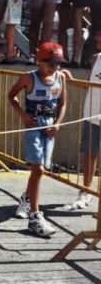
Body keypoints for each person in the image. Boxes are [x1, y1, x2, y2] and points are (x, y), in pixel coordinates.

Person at [8, 42, 67, 237]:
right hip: (34, 125)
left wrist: (57, 124)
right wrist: (23, 115)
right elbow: (12, 95)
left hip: (49, 127)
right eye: (50, 63)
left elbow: (63, 103)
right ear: (39, 61)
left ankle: (27, 198)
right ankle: (35, 216)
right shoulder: (29, 78)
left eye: (57, 63)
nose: (54, 67)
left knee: (40, 170)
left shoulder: (60, 77)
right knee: (38, 169)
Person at [64, 28, 101, 210]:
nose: (97, 37)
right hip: (92, 113)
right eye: (97, 34)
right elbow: (88, 85)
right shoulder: (96, 58)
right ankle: (86, 191)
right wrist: (70, 80)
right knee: (89, 153)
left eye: (100, 34)